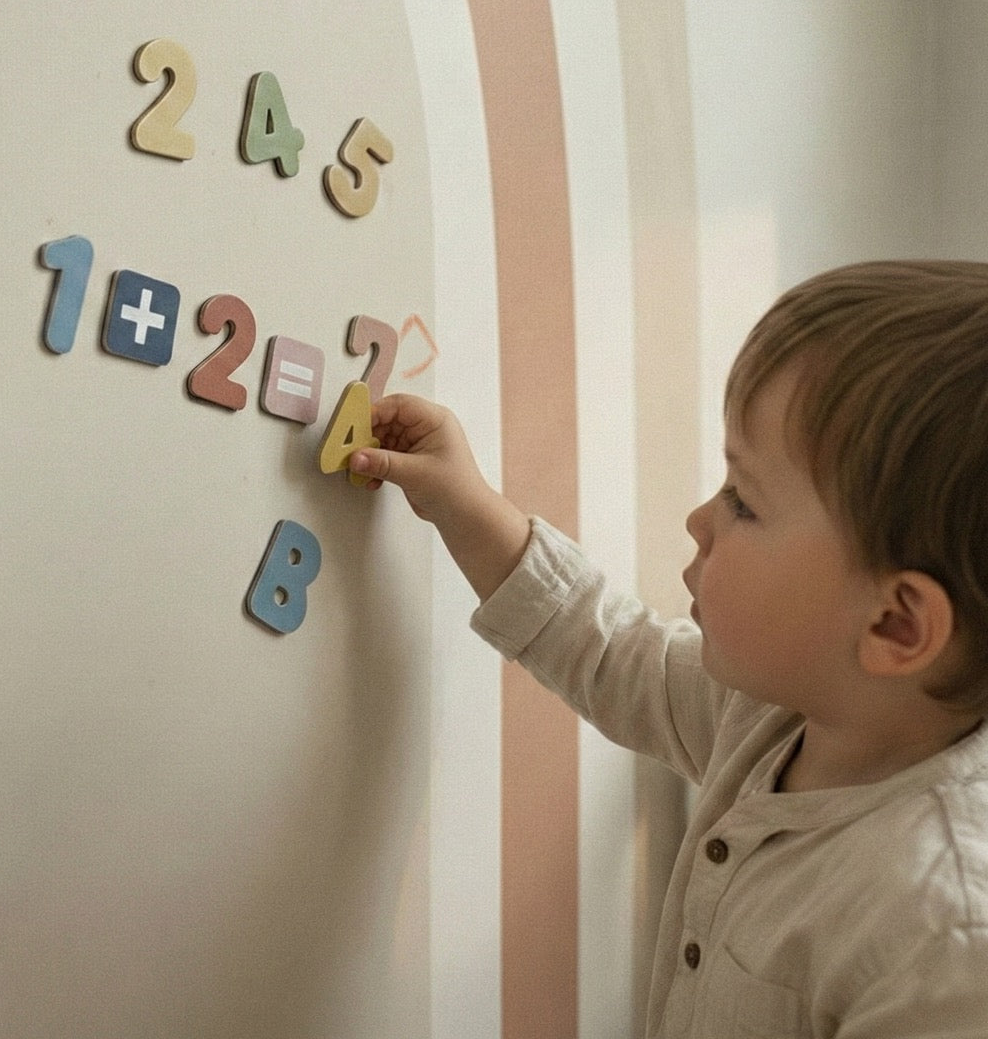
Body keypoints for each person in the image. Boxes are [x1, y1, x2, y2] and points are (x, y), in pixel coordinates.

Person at [348, 260, 988, 1037]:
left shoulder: (942, 942)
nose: (699, 519)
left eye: (743, 501)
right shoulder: (773, 714)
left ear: (896, 627)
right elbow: (608, 649)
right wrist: (464, 501)